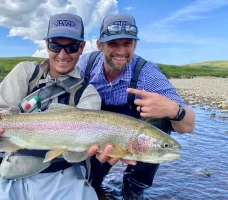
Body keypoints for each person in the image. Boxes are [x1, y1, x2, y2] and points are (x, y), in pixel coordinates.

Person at [0, 13, 104, 200]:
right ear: (47, 45)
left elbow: (76, 156)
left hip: (65, 173)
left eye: (71, 47)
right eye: (56, 45)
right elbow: (1, 113)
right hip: (15, 171)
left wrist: (85, 146)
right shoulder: (25, 72)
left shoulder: (88, 93)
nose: (62, 55)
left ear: (81, 48)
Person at [77, 14, 195, 200]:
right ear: (100, 45)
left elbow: (188, 125)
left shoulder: (147, 73)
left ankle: (134, 188)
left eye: (127, 44)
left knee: (161, 118)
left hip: (132, 135)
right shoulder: (86, 65)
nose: (121, 51)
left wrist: (173, 110)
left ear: (135, 45)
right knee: (89, 185)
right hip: (95, 134)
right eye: (113, 44)